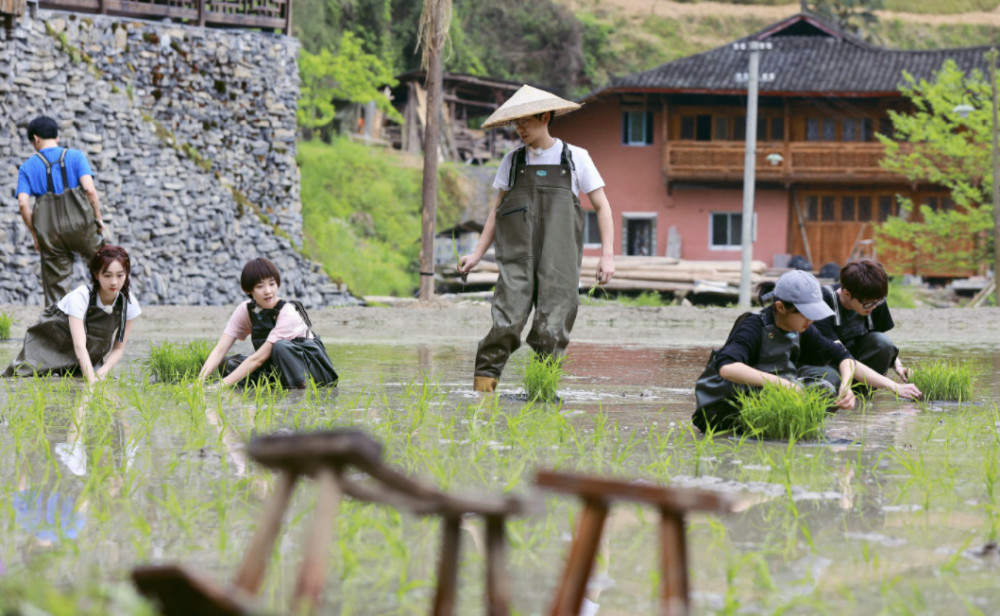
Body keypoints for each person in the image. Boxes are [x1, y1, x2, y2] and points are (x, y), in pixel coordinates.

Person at [457, 84, 616, 392]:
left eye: (525, 121)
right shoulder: (512, 162)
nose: (519, 128)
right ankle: (482, 396)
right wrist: (476, 255)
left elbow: (602, 206)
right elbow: (495, 213)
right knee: (506, 323)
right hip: (517, 257)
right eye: (516, 122)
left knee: (551, 330)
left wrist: (607, 255)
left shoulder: (576, 158)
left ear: (545, 116)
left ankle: (541, 395)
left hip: (560, 261)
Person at [693, 270, 921, 433]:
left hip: (766, 401)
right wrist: (786, 385)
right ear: (781, 307)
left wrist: (846, 385)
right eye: (804, 313)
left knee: (825, 388)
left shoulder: (803, 328)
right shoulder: (754, 326)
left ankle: (792, 431)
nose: (810, 320)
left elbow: (844, 358)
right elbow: (727, 367)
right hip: (727, 409)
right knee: (814, 388)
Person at [3, 245, 140, 386]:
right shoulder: (80, 297)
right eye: (107, 275)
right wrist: (92, 382)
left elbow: (119, 348)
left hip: (85, 358)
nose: (114, 282)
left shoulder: (129, 304)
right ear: (96, 274)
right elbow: (79, 345)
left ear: (127, 274)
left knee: (77, 385)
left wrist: (100, 374)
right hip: (49, 347)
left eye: (120, 275)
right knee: (19, 382)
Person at [197, 257, 338, 390]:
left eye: (272, 284)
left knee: (281, 346)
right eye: (260, 286)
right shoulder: (245, 310)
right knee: (228, 364)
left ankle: (298, 393)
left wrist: (219, 386)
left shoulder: (288, 312)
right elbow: (220, 349)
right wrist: (199, 383)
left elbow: (258, 359)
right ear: (248, 290)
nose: (268, 291)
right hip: (276, 369)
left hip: (314, 373)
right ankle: (272, 389)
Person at [17, 115, 106, 306]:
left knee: (57, 288)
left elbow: (23, 204)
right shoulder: (76, 156)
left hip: (50, 232)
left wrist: (34, 234)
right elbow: (90, 190)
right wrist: (98, 218)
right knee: (103, 267)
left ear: (35, 139)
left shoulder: (27, 167)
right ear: (56, 137)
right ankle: (104, 318)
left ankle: (62, 331)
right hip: (82, 225)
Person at [814, 260, 909, 382]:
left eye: (878, 301)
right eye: (868, 304)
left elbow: (881, 343)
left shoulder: (875, 299)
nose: (874, 306)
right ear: (847, 294)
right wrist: (891, 385)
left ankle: (864, 394)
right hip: (828, 359)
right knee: (831, 380)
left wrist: (898, 365)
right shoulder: (823, 301)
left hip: (855, 356)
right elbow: (839, 354)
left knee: (883, 343)